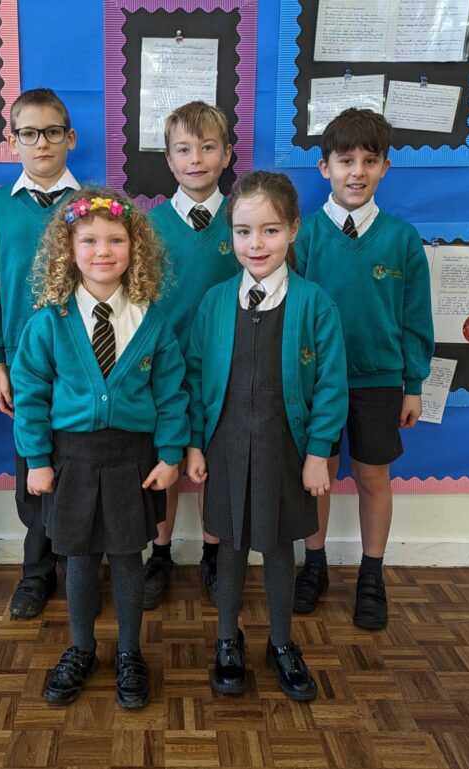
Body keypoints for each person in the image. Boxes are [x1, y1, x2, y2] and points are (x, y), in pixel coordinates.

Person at [12, 187, 189, 708]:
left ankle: (130, 652)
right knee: (79, 559)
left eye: (115, 239)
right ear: (68, 250)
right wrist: (38, 461)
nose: (103, 251)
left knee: (128, 557)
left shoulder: (151, 320)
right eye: (88, 240)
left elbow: (172, 391)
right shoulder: (50, 320)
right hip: (71, 459)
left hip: (133, 458)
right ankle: (82, 648)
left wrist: (171, 453)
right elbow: (31, 393)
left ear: (135, 248)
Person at [185, 171, 347, 701]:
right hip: (226, 445)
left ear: (294, 230)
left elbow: (329, 385)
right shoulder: (213, 303)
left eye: (271, 231)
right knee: (229, 547)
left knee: (279, 547)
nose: (257, 244)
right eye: (244, 232)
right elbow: (192, 374)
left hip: (286, 448)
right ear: (229, 236)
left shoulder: (314, 303)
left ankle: (281, 643)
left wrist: (319, 452)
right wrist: (192, 443)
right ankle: (226, 641)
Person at [293, 108, 434, 626]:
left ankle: (372, 574)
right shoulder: (304, 236)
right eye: (345, 160)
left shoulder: (401, 238)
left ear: (385, 168)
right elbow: (292, 313)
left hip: (379, 382)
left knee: (374, 477)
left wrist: (413, 384)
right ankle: (314, 564)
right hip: (317, 382)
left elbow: (416, 318)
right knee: (318, 477)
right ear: (323, 166)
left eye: (369, 161)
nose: (357, 171)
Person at [0, 88, 80, 619]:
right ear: (12, 140)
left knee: (82, 466)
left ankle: (80, 568)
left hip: (85, 361)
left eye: (53, 132)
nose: (42, 143)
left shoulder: (91, 205)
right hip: (22, 364)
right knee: (33, 472)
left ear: (70, 138)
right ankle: (36, 572)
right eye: (30, 133)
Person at [143, 101, 240, 609]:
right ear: (169, 158)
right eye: (184, 149)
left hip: (226, 371)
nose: (196, 159)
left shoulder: (244, 220)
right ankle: (159, 554)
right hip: (163, 371)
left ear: (226, 154)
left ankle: (213, 553)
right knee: (167, 463)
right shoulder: (148, 226)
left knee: (215, 467)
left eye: (207, 147)